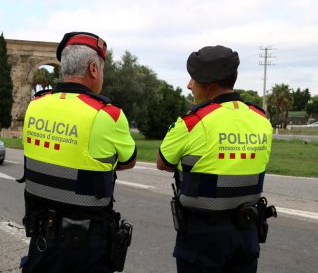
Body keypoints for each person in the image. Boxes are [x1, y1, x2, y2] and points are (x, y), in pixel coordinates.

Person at [18, 31, 137, 273]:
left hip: (41, 242)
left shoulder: (35, 105)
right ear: (94, 69)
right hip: (86, 247)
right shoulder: (108, 114)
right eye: (102, 69)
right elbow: (128, 161)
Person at [156, 45, 274, 272]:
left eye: (193, 78)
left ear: (208, 83)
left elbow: (163, 163)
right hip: (246, 232)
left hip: (203, 236)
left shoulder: (192, 122)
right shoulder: (261, 119)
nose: (189, 85)